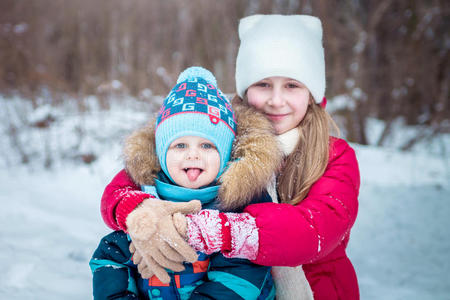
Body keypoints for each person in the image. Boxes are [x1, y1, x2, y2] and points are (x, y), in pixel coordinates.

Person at [101, 14, 360, 300]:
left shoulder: (334, 155)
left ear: (312, 93)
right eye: (263, 84)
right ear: (245, 88)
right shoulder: (215, 132)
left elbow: (314, 231)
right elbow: (126, 184)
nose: (276, 100)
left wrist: (211, 229)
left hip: (316, 291)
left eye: (292, 85)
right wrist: (140, 212)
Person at [90, 66, 281, 299]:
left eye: (207, 145)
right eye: (180, 145)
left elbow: (243, 274)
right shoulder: (147, 199)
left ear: (227, 153)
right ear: (161, 154)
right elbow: (109, 257)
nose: (193, 155)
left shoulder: (238, 205)